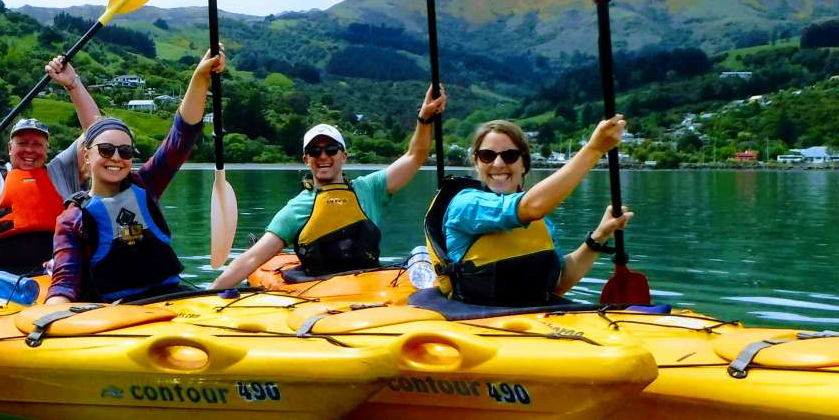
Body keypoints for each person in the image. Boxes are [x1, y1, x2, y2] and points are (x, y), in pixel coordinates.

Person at [209, 86, 447, 290]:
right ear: (306, 159)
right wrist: (210, 293)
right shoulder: (297, 207)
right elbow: (253, 257)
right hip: (320, 297)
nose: (323, 156)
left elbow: (416, 156)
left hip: (371, 291)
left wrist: (424, 118)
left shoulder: (370, 188)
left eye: (331, 150)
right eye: (315, 151)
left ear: (344, 155)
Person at [46, 49, 226, 305]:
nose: (116, 157)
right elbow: (64, 284)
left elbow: (182, 136)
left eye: (126, 151)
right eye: (106, 150)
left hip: (171, 302)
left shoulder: (145, 183)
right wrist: (51, 317)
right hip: (117, 314)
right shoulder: (72, 219)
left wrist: (199, 78)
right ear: (86, 156)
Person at [425, 117, 633, 306]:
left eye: (510, 156)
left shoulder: (540, 221)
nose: (498, 164)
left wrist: (600, 235)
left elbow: (558, 283)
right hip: (476, 323)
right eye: (487, 155)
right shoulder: (466, 204)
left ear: (524, 164)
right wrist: (594, 150)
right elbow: (532, 206)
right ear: (476, 162)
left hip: (532, 323)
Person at [0, 57, 102, 275]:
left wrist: (72, 83)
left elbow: (98, 130)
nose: (30, 150)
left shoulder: (62, 170)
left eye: (37, 144)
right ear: (10, 147)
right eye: (22, 143)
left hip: (55, 277)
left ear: (47, 149)